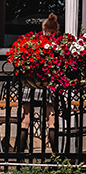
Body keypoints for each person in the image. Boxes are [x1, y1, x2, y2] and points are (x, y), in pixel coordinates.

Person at [17, 13, 60, 154]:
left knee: (25, 120)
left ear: (43, 28)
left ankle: (20, 157)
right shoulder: (56, 45)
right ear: (56, 30)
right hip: (47, 84)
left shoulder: (35, 44)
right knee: (51, 121)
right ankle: (55, 157)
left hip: (31, 82)